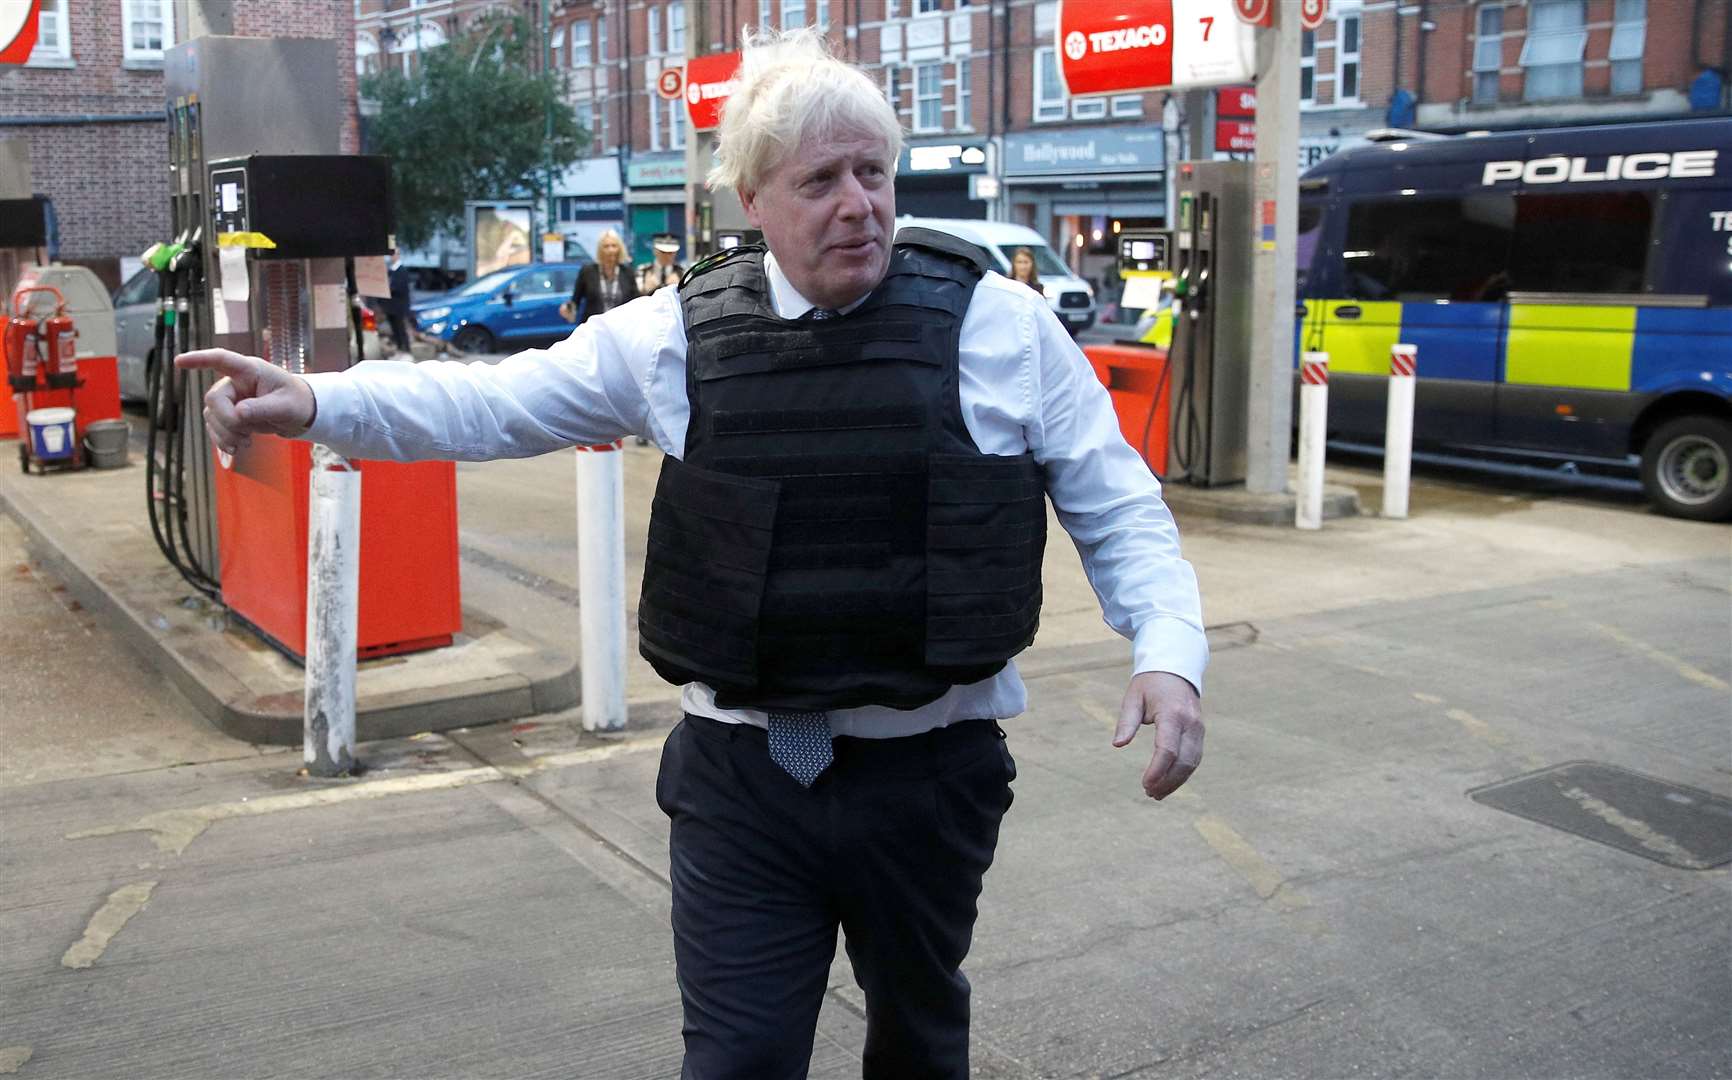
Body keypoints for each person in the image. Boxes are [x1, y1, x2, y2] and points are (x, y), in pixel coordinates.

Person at [178, 27, 1204, 1079]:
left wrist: (1166, 652)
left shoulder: (1006, 330)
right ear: (751, 201)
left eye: (872, 172)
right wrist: (310, 400)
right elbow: (492, 401)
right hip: (740, 782)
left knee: (919, 1034)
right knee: (737, 1061)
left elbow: (1119, 505)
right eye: (820, 180)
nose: (858, 203)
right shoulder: (671, 334)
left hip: (929, 776)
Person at [564, 228, 637, 325]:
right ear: (600, 250)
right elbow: (575, 300)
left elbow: (636, 300)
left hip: (620, 328)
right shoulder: (588, 271)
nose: (610, 250)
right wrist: (568, 309)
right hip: (594, 329)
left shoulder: (627, 272)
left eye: (614, 246)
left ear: (620, 249)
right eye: (606, 246)